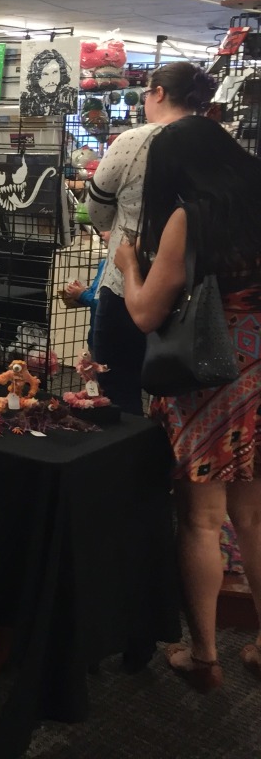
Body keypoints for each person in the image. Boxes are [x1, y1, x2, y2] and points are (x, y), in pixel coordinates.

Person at [113, 115, 261, 691]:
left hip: (210, 380)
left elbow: (146, 311)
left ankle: (203, 656)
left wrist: (129, 265)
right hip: (259, 375)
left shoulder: (190, 217)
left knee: (201, 520)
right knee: (253, 516)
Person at [85, 62, 216, 413]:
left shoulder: (134, 140)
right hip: (198, 287)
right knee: (184, 392)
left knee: (117, 389)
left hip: (130, 281)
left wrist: (115, 229)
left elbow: (96, 209)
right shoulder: (215, 140)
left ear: (158, 93)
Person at [19, 47, 79, 117]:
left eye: (55, 72)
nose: (51, 80)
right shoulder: (26, 100)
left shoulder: (72, 96)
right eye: (45, 74)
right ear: (36, 77)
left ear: (61, 73)